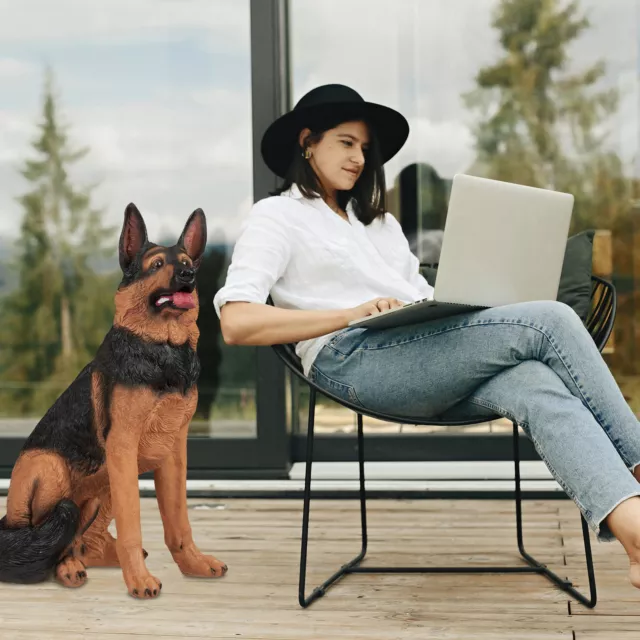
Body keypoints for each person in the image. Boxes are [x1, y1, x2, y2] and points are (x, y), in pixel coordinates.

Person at [213, 83, 640, 588]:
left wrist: (463, 301)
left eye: (364, 149)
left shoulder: (380, 225)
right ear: (308, 141)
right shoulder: (277, 216)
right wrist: (349, 314)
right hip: (351, 359)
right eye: (346, 143)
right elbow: (236, 321)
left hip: (422, 353)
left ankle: (636, 539)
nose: (358, 158)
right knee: (551, 319)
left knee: (535, 385)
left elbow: (415, 293)